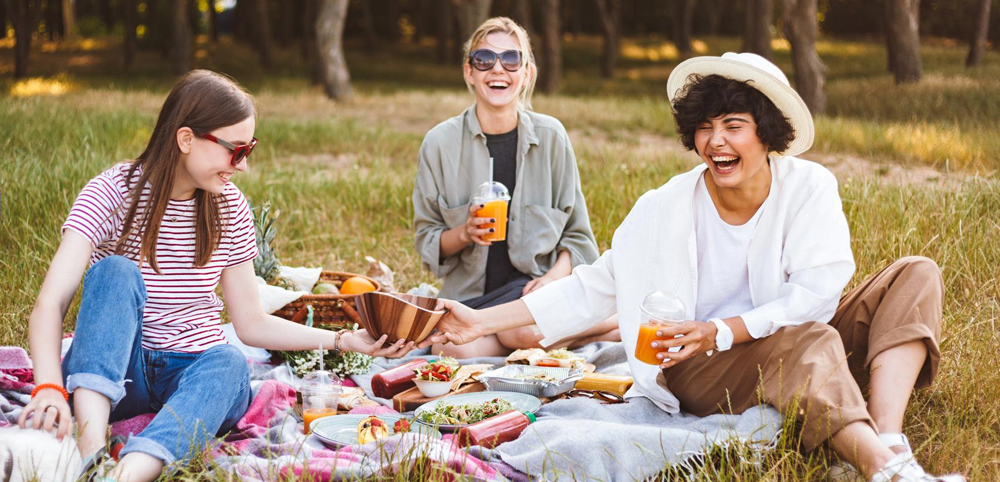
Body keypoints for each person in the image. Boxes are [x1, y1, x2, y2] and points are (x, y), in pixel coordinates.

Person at [427, 53, 965, 482]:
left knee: (916, 273)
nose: (716, 141)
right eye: (705, 127)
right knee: (809, 343)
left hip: (769, 337)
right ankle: (880, 469)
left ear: (767, 132)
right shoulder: (663, 207)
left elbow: (820, 291)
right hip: (693, 364)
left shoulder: (809, 186)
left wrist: (724, 330)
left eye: (734, 125)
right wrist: (480, 322)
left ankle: (890, 447)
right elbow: (593, 288)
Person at [18, 70, 414, 482]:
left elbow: (251, 323)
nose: (241, 167)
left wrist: (343, 340)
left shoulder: (229, 208)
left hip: (194, 375)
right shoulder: (112, 192)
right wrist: (48, 387)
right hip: (118, 373)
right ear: (186, 139)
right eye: (235, 150)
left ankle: (126, 474)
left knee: (229, 362)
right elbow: (52, 302)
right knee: (115, 271)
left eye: (249, 149)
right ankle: (91, 450)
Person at [412, 17, 618, 357]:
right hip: (472, 301)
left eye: (511, 59)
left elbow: (578, 237)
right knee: (455, 353)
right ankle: (608, 328)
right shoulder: (439, 143)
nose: (498, 69)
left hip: (534, 293)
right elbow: (427, 242)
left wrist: (552, 280)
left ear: (527, 74)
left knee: (523, 327)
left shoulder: (552, 138)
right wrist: (465, 233)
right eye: (484, 59)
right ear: (469, 72)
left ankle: (599, 325)